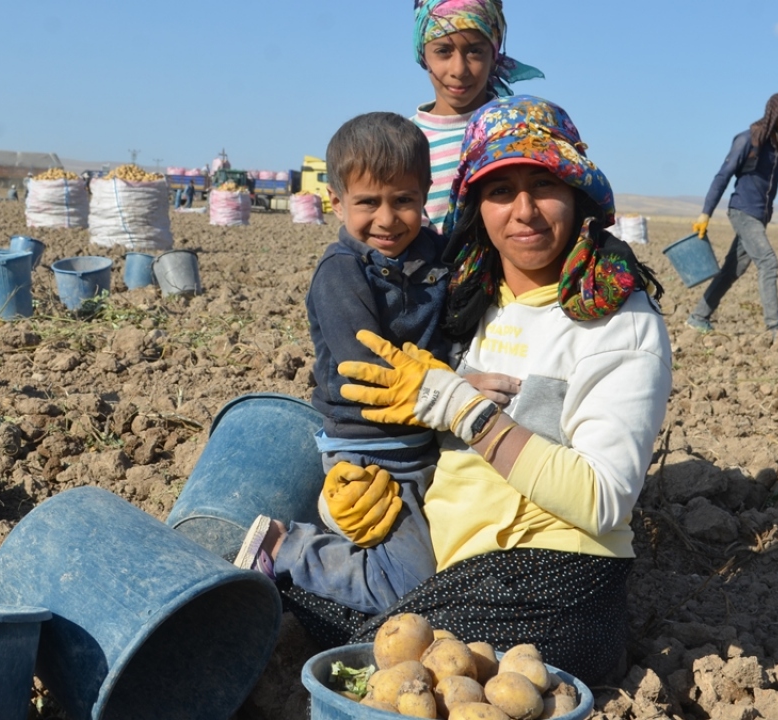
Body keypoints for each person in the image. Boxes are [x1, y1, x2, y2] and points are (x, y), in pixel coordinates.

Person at [272, 96, 672, 685]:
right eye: (501, 190)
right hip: (447, 567)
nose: (524, 211)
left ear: (578, 193)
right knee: (303, 618)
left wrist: (463, 406)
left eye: (545, 184)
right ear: (475, 206)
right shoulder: (464, 300)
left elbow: (604, 499)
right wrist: (346, 502)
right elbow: (395, 415)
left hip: (551, 576)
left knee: (389, 666)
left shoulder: (617, 320)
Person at [233, 112, 462, 616]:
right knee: (409, 588)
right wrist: (455, 385)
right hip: (372, 449)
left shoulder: (437, 255)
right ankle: (285, 548)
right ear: (336, 202)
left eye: (403, 200)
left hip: (427, 437)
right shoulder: (340, 274)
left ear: (426, 195)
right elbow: (366, 370)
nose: (387, 218)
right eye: (368, 203)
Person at [687, 93, 778, 336]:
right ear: (773, 114)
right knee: (768, 262)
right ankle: (775, 328)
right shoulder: (748, 140)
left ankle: (698, 316)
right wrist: (705, 214)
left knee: (732, 269)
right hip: (742, 212)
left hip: (760, 217)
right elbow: (723, 175)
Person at [412, 0, 543, 231]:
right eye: (443, 51)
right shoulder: (403, 141)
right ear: (422, 55)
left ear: (494, 56)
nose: (459, 70)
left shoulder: (520, 130)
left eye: (475, 51)